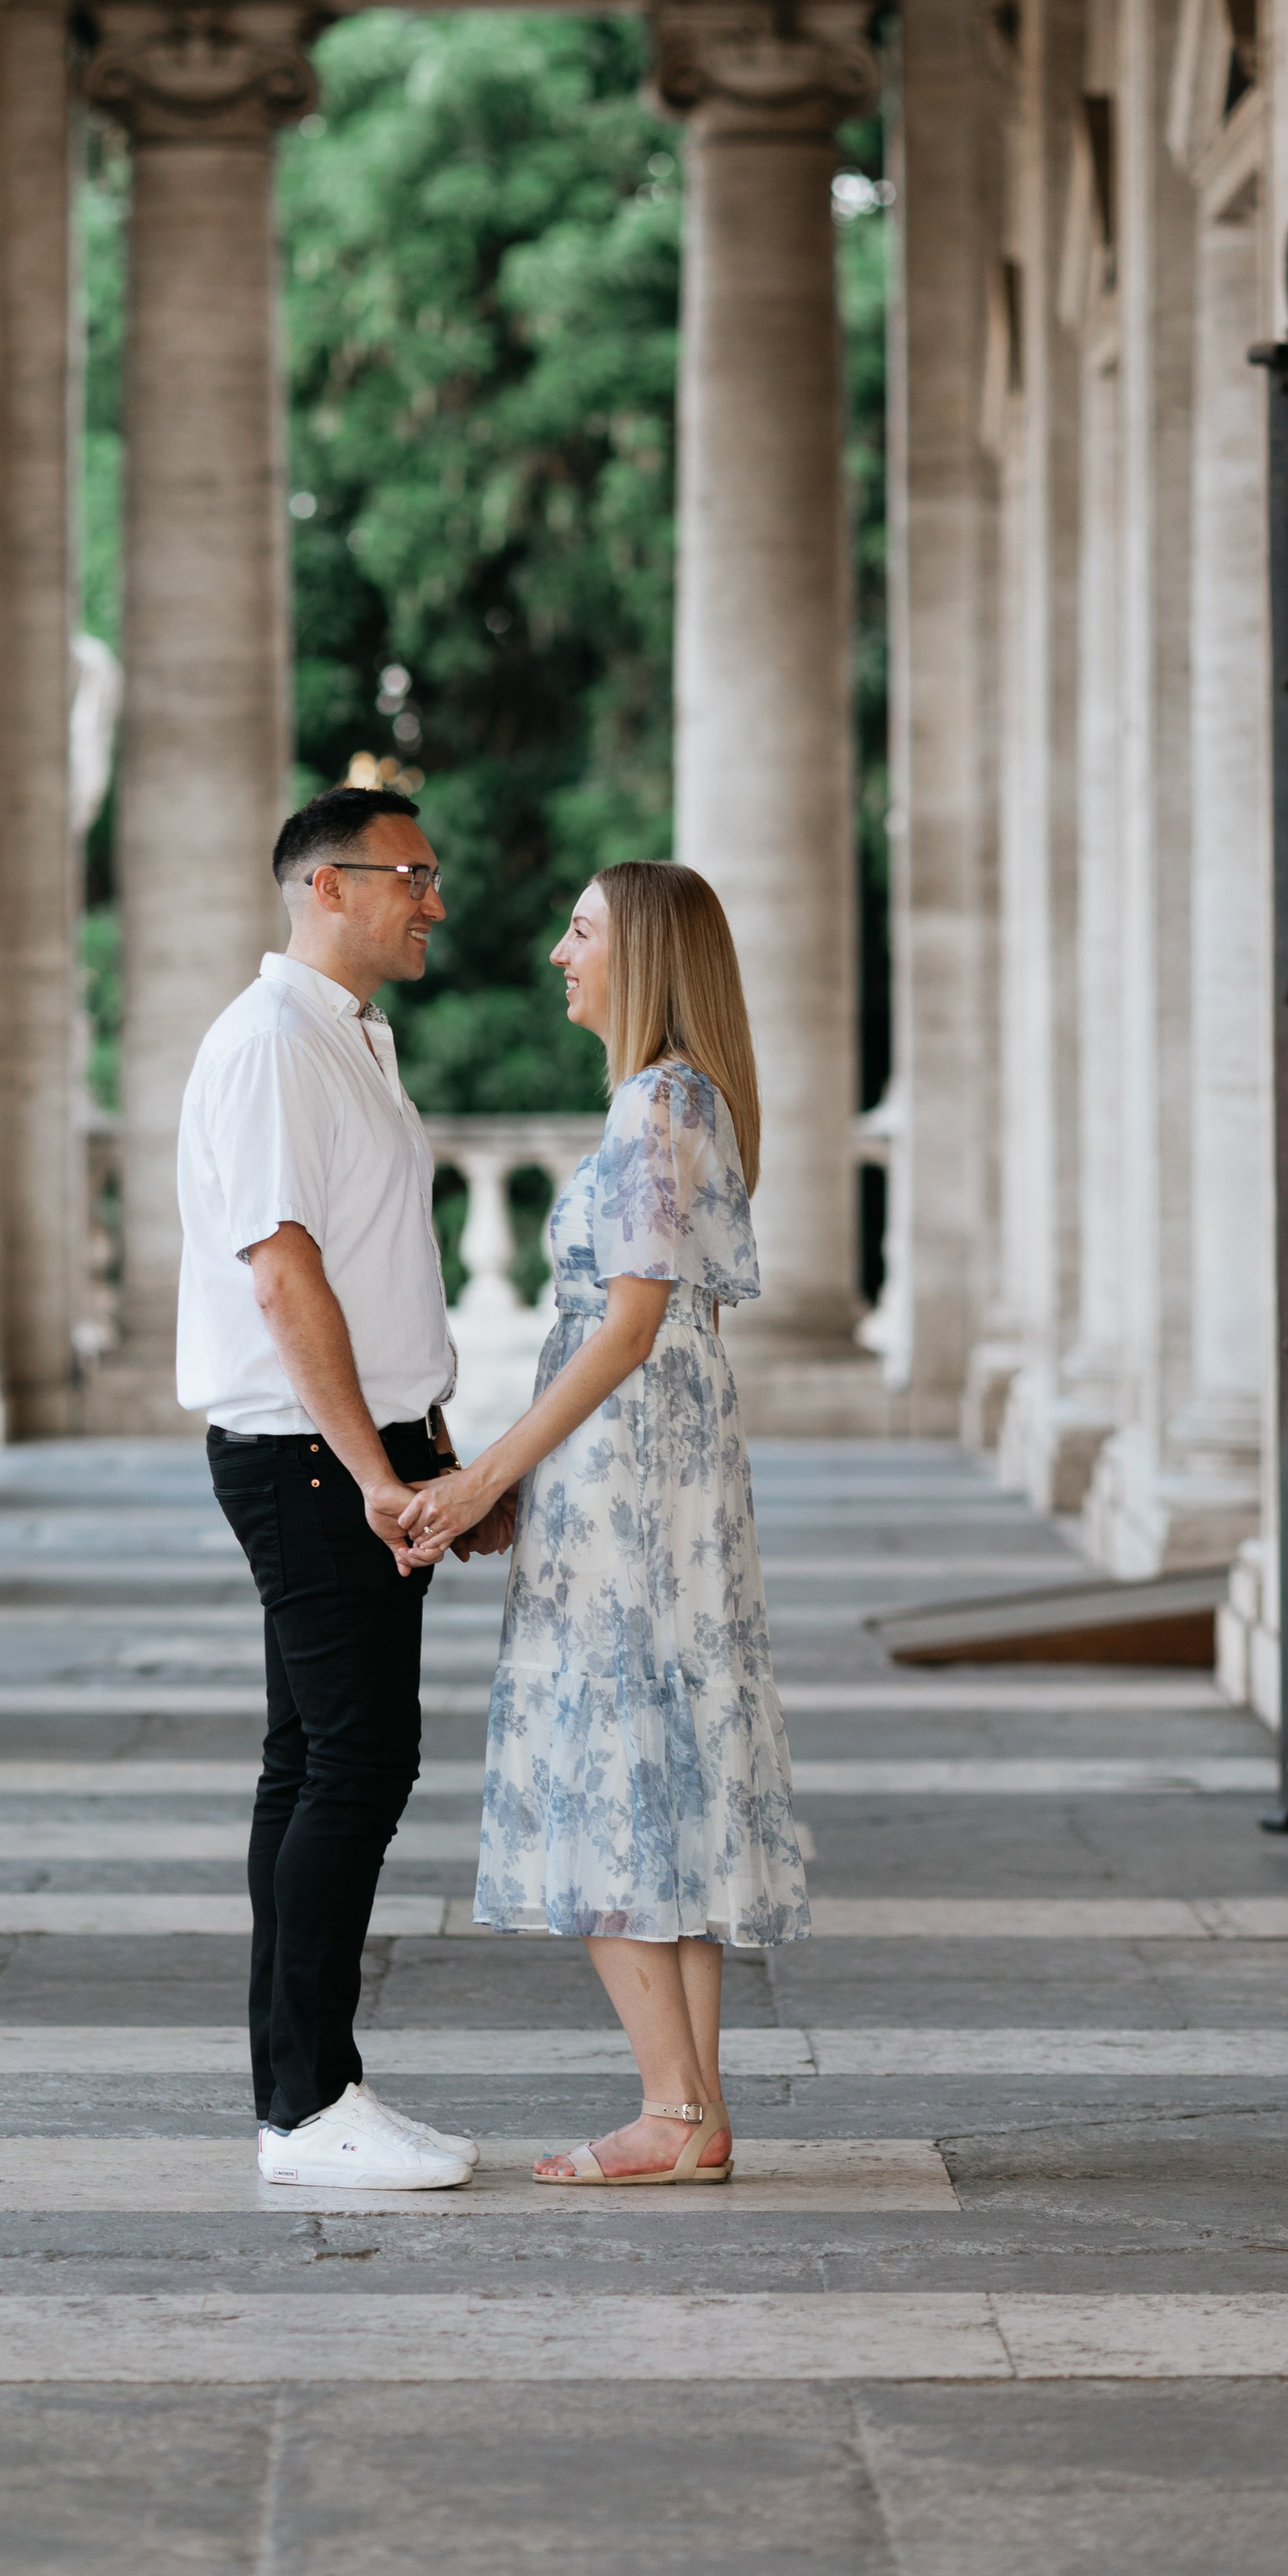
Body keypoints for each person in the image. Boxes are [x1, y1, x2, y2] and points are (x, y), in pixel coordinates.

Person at [400, 860, 809, 2185]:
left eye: (580, 932)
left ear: (641, 955)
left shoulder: (653, 1104)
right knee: (661, 1764)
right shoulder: (683, 1096)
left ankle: (673, 2110)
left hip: (628, 1484)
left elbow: (624, 1327)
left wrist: (482, 1477)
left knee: (603, 1765)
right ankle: (691, 2112)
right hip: (661, 1474)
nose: (557, 953)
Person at [178, 785, 516, 2195]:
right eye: (412, 875)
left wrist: (433, 1450)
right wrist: (380, 1474)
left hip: (360, 1447)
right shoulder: (269, 1045)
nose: (434, 899)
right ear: (328, 886)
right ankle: (306, 2105)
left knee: (310, 1760)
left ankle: (308, 2090)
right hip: (309, 1458)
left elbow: (375, 1276)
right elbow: (282, 1274)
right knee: (359, 1761)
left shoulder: (349, 1037)